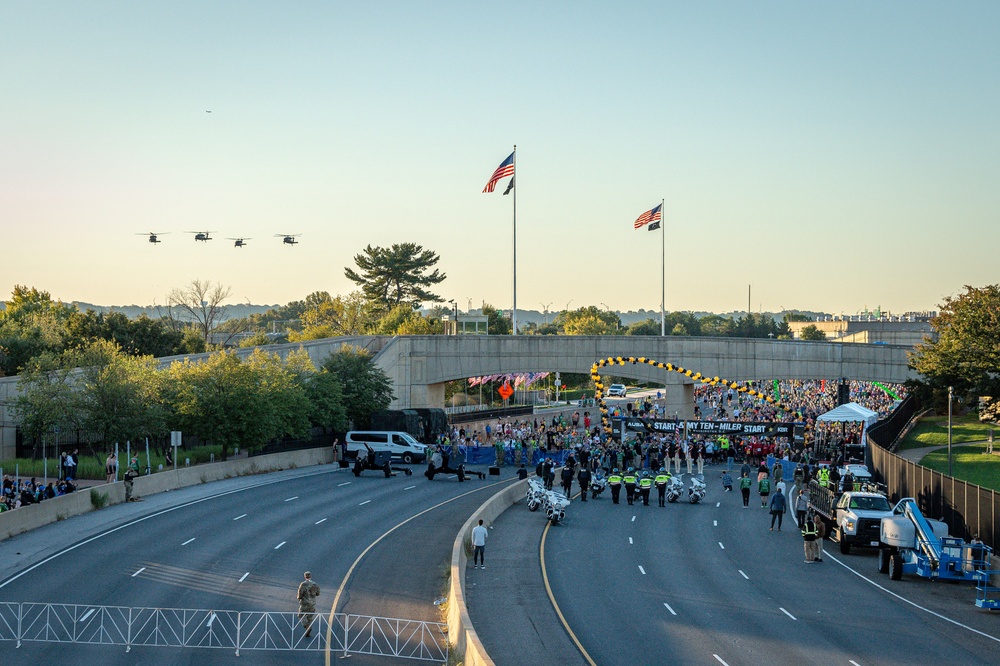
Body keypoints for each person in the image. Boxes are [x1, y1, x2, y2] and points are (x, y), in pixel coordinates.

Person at [297, 572, 320, 637]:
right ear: (311, 576)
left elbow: (299, 595)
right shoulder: (315, 584)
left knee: (300, 616)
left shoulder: (303, 584)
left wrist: (300, 598)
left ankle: (306, 627)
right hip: (312, 604)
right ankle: (309, 629)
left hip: (304, 604)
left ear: (305, 576)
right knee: (310, 618)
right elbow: (318, 593)